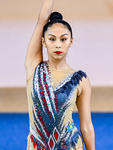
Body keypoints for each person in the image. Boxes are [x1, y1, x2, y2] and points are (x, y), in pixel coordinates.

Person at [25, 0, 95, 149]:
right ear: (43, 41)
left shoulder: (80, 80)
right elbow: (41, 21)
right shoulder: (34, 68)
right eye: (52, 39)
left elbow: (87, 126)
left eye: (63, 39)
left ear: (71, 42)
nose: (58, 44)